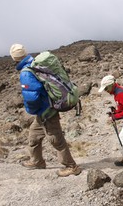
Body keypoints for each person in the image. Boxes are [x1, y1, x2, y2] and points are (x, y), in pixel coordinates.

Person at [10, 44, 81, 177]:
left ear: (14, 58)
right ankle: (37, 161)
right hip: (43, 111)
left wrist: (31, 110)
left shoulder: (26, 72)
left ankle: (72, 166)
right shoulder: (34, 63)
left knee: (56, 139)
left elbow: (32, 97)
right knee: (34, 136)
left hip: (46, 111)